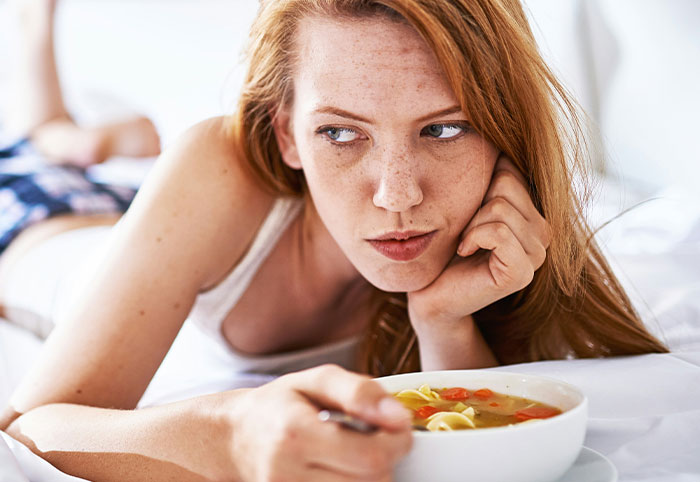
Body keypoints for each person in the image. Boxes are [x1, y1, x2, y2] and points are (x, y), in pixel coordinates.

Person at [0, 0, 668, 480]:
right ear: (287, 133)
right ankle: (45, 53)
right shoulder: (215, 169)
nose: (398, 195)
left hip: (147, 217)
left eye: (443, 129)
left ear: (502, 126)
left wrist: (441, 317)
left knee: (96, 150)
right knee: (57, 150)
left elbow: (469, 445)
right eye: (340, 133)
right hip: (37, 224)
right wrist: (225, 436)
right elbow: (30, 428)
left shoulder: (504, 211)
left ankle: (109, 139)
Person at [0, 0, 161, 272]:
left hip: (48, 200)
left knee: (34, 145)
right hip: (54, 214)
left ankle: (55, 138)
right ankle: (56, 137)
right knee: (37, 142)